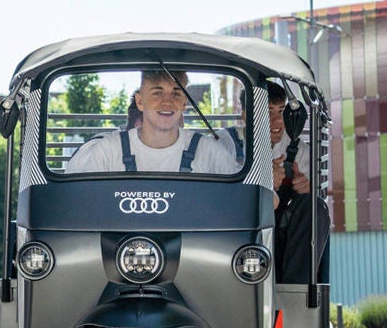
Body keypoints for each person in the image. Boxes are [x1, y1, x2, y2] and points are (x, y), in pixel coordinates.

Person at [64, 70, 238, 175]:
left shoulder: (208, 150)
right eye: (157, 93)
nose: (167, 102)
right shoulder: (109, 150)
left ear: (184, 103)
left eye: (176, 93)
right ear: (140, 101)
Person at [268, 81, 330, 283]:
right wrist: (262, 180)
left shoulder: (297, 150)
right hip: (240, 232)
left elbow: (309, 210)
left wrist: (305, 189)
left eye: (281, 111)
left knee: (314, 206)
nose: (277, 120)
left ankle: (295, 291)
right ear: (245, 115)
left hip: (279, 235)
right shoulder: (228, 146)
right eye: (268, 112)